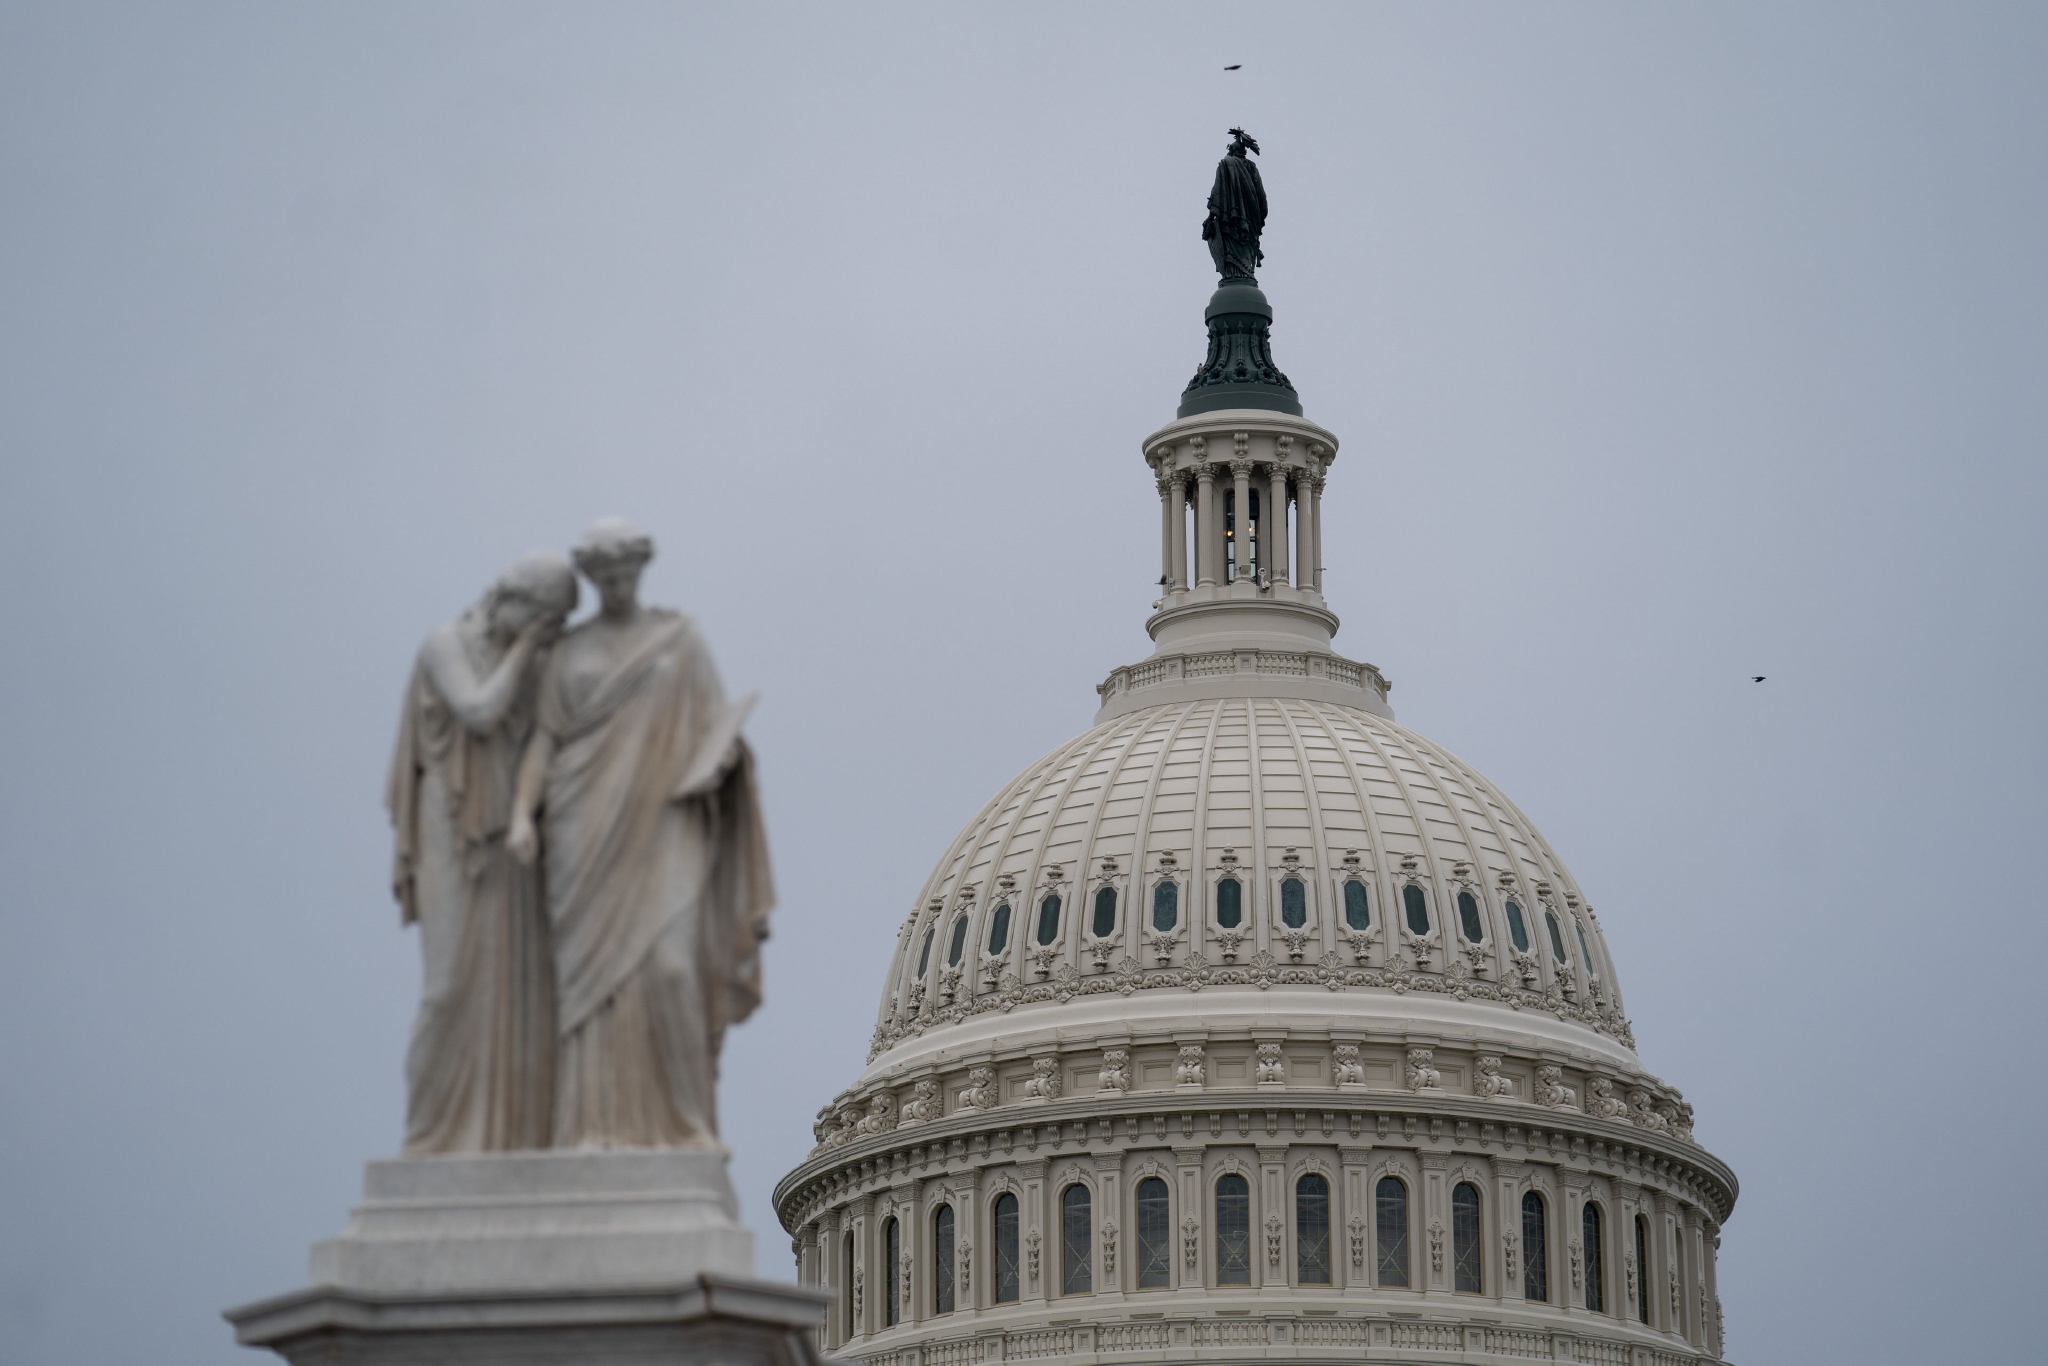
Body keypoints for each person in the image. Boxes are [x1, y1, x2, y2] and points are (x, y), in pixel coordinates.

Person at [508, 518, 773, 1149]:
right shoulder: (567, 654)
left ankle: (685, 1122)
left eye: (626, 572)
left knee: (672, 971)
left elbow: (717, 727)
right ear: (591, 578)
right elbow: (543, 741)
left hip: (667, 819)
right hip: (582, 824)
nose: (617, 584)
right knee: (589, 991)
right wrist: (520, 814)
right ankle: (589, 1126)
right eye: (605, 575)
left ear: (641, 569)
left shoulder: (679, 641)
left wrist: (724, 760)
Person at [386, 553, 577, 1153]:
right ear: (515, 600)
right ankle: (428, 1136)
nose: (548, 633)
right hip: (451, 827)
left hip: (507, 838)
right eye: (545, 619)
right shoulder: (447, 644)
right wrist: (526, 649)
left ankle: (506, 1137)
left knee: (512, 995)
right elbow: (479, 711)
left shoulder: (532, 660)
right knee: (447, 988)